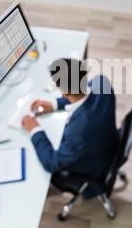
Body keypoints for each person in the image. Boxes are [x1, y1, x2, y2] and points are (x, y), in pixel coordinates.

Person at [22, 58, 118, 198]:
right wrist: (54, 104)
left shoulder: (78, 131)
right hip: (108, 141)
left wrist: (35, 129)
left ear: (64, 93)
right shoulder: (102, 82)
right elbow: (83, 95)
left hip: (92, 164)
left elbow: (51, 163)